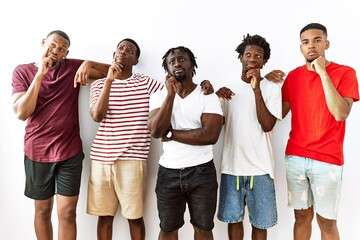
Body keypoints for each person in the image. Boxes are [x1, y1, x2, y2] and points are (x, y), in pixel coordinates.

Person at [87, 40, 214, 240]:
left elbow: (177, 84)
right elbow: (97, 115)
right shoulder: (99, 85)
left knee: (135, 217)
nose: (124, 51)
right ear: (113, 54)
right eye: (120, 48)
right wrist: (107, 78)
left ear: (136, 60)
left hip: (133, 157)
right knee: (104, 217)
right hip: (101, 158)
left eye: (130, 51)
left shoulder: (147, 83)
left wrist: (205, 84)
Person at [11, 30, 110, 240]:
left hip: (69, 152)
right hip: (36, 153)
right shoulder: (22, 71)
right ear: (43, 42)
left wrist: (88, 63)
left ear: (67, 53)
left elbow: (114, 71)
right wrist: (40, 75)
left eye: (62, 49)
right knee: (43, 211)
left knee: (66, 212)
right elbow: (21, 112)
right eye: (53, 45)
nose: (56, 51)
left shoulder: (72, 68)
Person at [281, 23, 359, 240]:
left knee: (326, 221)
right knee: (301, 217)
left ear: (327, 43)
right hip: (295, 157)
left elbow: (341, 113)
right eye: (306, 42)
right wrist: (264, 83)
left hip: (328, 160)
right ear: (300, 48)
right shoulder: (293, 76)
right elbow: (277, 114)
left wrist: (322, 72)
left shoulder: (345, 73)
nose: (311, 46)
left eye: (317, 40)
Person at [147, 46, 223, 240]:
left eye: (182, 59)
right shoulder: (158, 96)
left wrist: (171, 134)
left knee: (204, 230)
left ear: (192, 64)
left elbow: (210, 135)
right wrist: (170, 95)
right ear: (167, 70)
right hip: (168, 173)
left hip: (202, 172)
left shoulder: (208, 96)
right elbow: (156, 131)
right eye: (171, 62)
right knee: (167, 229)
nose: (177, 63)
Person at [215, 34, 283, 240]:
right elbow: (217, 126)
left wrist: (256, 90)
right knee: (233, 221)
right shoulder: (227, 89)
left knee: (260, 224)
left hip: (261, 169)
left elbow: (267, 125)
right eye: (248, 54)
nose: (252, 59)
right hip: (232, 167)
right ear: (241, 58)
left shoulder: (272, 89)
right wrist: (214, 96)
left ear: (264, 61)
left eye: (258, 56)